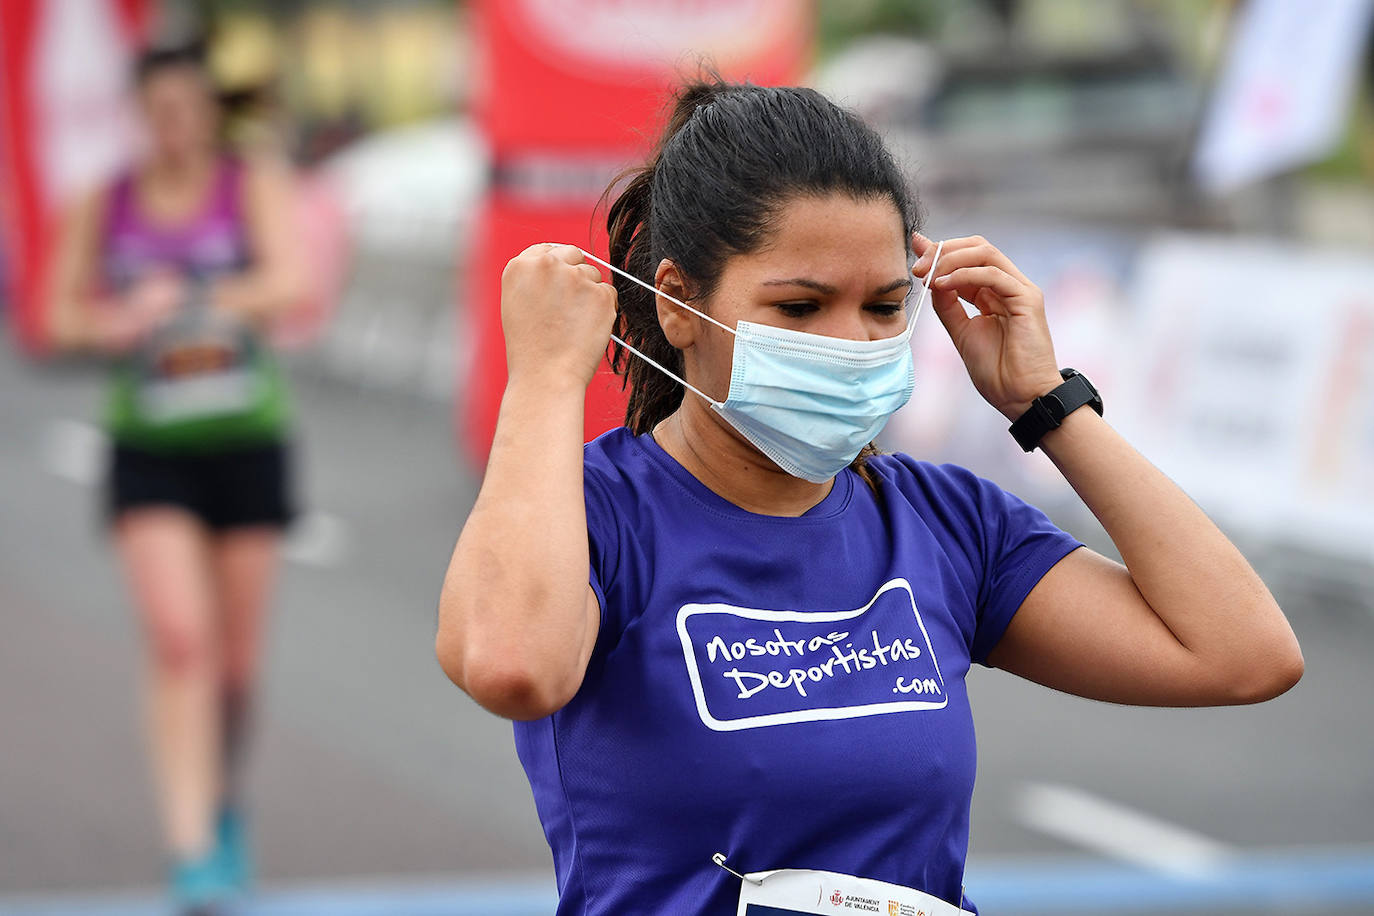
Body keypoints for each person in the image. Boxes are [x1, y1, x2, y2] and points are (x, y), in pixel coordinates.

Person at [435, 80, 1304, 915]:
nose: (852, 342)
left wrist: (1046, 403)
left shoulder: (945, 522)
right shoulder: (594, 511)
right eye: (802, 307)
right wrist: (546, 380)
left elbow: (1241, 655)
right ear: (678, 306)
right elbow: (514, 665)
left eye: (886, 306)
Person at [45, 43, 300, 913]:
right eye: (157, 114)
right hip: (149, 446)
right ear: (138, 114)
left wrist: (200, 301)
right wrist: (117, 320)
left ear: (207, 112)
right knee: (180, 641)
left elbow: (292, 281)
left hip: (246, 441)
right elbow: (55, 314)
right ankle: (192, 846)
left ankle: (223, 804)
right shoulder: (105, 201)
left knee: (232, 669)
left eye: (187, 111)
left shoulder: (247, 182)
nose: (174, 129)